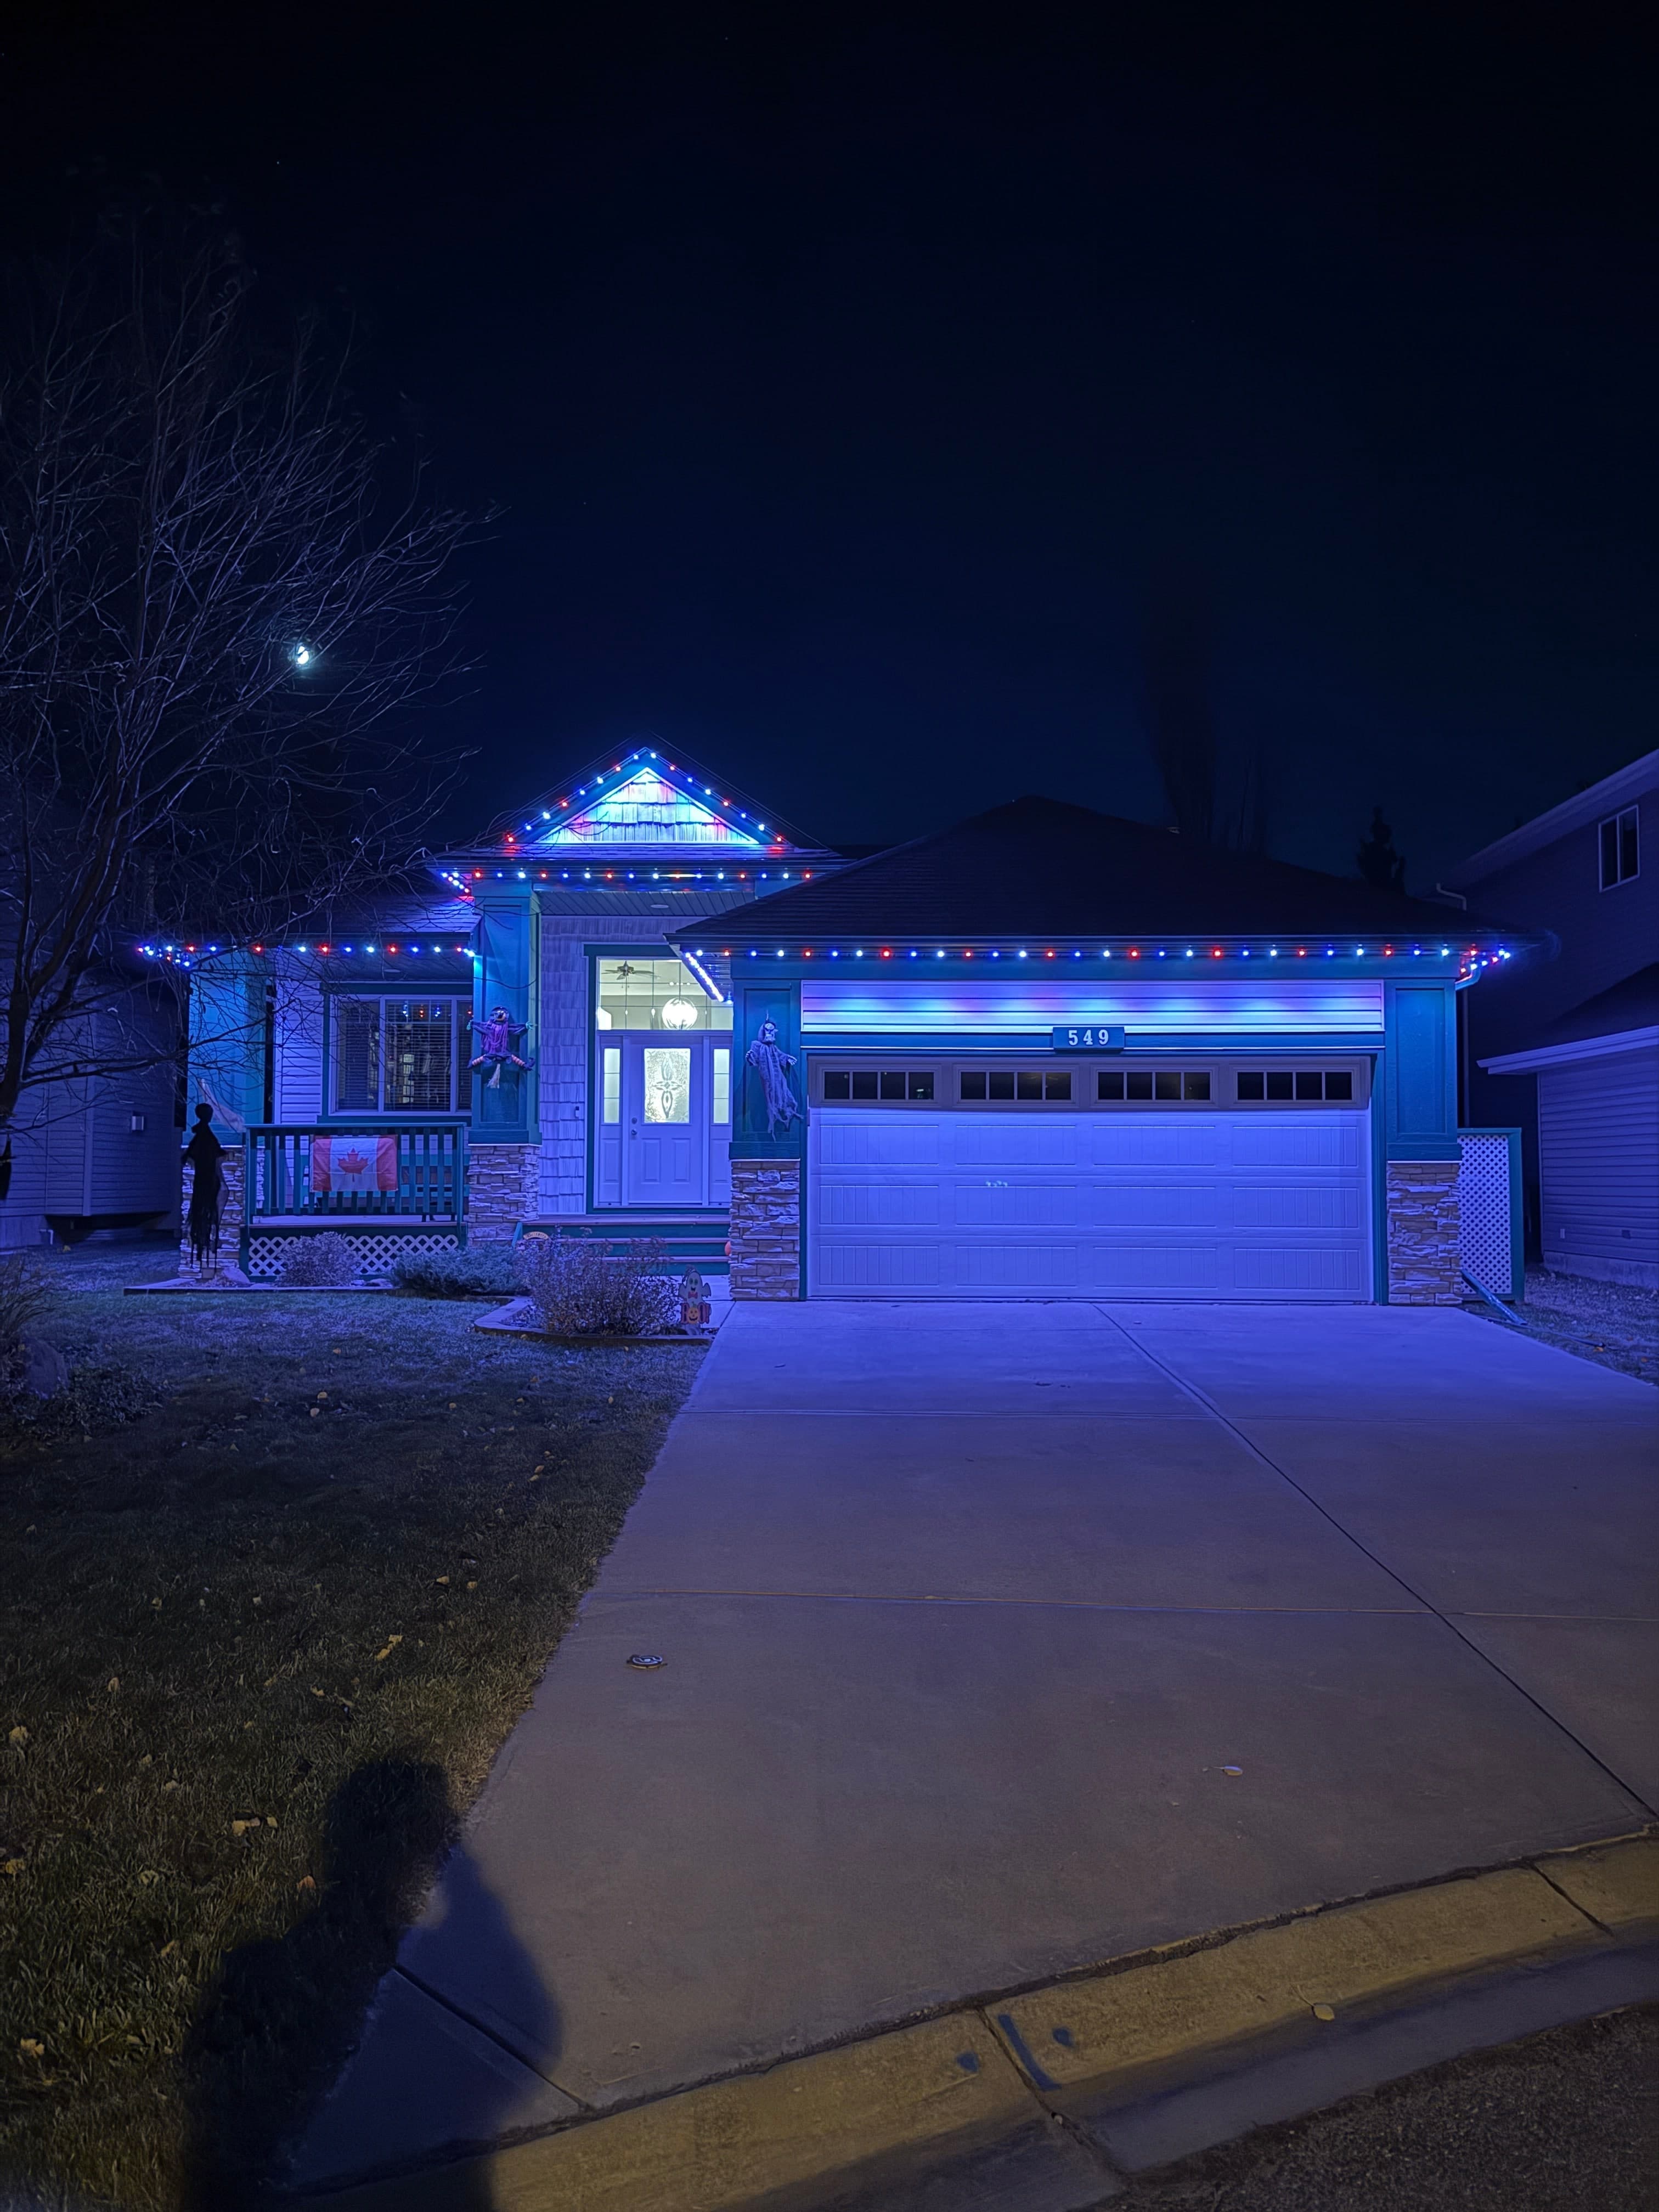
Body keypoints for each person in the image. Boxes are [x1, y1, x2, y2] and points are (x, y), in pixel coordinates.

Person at [182, 1103, 226, 1268]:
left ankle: (205, 1244)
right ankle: (205, 1243)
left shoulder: (201, 1135)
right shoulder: (205, 1136)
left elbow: (189, 1155)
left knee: (204, 1210)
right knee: (208, 1210)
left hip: (204, 1179)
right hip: (208, 1179)